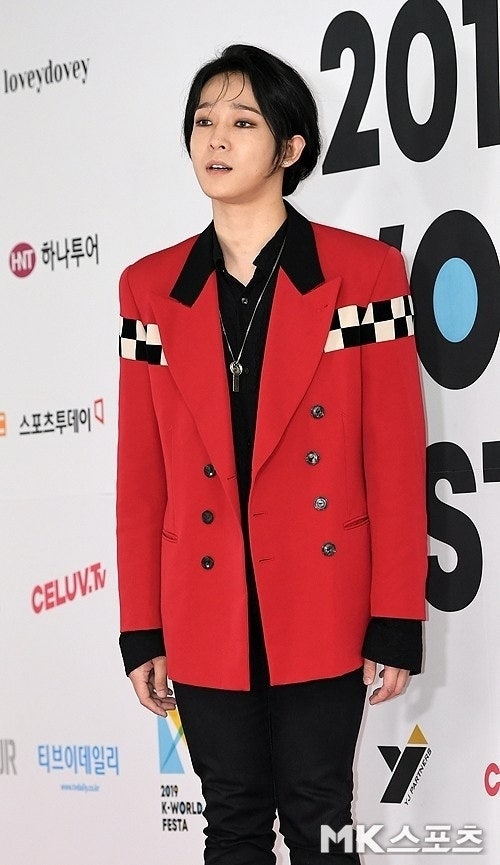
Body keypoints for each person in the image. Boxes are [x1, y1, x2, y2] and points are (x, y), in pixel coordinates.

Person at [116, 44, 427, 865]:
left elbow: (396, 460)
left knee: (321, 816)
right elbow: (141, 477)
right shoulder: (150, 290)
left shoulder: (364, 275)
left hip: (323, 596)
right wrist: (141, 627)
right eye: (203, 121)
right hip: (204, 602)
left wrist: (397, 615)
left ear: (291, 147)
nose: (216, 138)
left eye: (243, 122)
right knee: (232, 822)